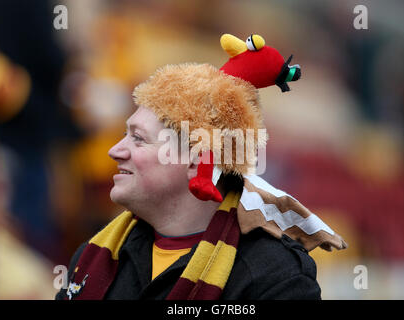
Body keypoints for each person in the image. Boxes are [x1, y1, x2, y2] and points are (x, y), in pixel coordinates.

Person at [56, 33, 347, 300]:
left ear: (197, 160)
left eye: (138, 139)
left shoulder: (275, 278)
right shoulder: (94, 255)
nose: (115, 151)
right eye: (123, 135)